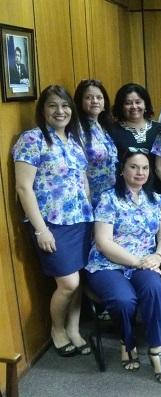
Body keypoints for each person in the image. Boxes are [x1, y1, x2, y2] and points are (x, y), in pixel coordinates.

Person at [13, 85, 93, 357]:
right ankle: (57, 329)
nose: (60, 111)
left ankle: (74, 328)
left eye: (65, 106)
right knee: (67, 282)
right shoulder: (32, 139)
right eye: (53, 106)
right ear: (43, 110)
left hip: (80, 219)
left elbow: (82, 180)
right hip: (52, 223)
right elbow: (23, 188)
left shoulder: (73, 141)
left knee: (78, 278)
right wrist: (41, 229)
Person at [84, 148, 161, 384]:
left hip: (145, 263)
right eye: (133, 167)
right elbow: (103, 242)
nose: (139, 172)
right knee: (124, 300)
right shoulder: (108, 198)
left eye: (144, 167)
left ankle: (156, 349)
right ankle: (127, 339)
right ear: (122, 170)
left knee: (154, 289)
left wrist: (158, 258)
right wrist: (138, 262)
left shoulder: (156, 200)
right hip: (108, 264)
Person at [74, 79, 118, 205]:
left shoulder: (104, 126)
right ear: (79, 102)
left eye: (99, 97)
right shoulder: (76, 129)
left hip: (109, 196)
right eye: (89, 97)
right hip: (89, 197)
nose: (95, 101)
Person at [108, 83, 161, 159]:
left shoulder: (160, 129)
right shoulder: (111, 131)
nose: (134, 106)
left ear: (145, 104)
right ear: (121, 107)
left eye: (138, 102)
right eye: (128, 103)